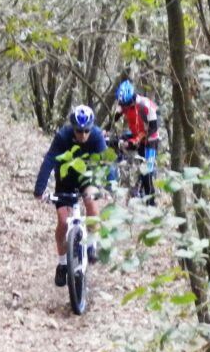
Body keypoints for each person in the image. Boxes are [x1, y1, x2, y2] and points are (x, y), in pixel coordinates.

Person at [33, 104, 109, 287]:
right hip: (66, 177)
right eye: (78, 131)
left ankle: (92, 243)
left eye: (86, 131)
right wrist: (40, 188)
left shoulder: (97, 137)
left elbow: (106, 162)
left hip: (87, 176)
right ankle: (62, 264)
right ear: (72, 128)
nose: (82, 135)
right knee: (62, 221)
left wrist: (109, 186)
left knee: (90, 201)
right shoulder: (62, 137)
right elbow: (50, 159)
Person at [114, 79, 159, 200]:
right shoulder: (124, 105)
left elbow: (153, 128)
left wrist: (138, 139)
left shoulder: (145, 105)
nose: (125, 107)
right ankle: (137, 188)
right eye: (123, 104)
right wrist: (108, 126)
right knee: (119, 142)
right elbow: (115, 117)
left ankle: (151, 202)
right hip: (136, 135)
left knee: (147, 173)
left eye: (126, 104)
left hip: (150, 140)